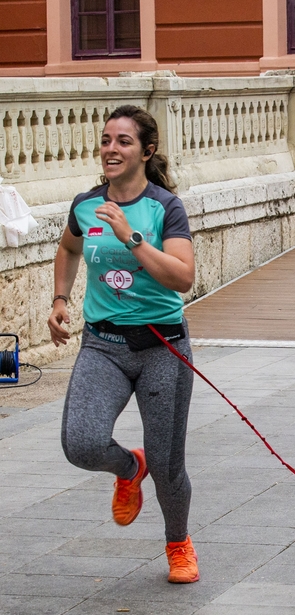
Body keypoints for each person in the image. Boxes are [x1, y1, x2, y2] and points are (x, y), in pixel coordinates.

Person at [47, 105, 199, 584]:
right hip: (102, 345)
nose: (111, 149)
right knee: (82, 443)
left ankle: (179, 544)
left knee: (169, 462)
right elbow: (69, 248)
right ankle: (130, 466)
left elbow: (183, 278)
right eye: (107, 140)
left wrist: (130, 236)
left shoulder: (164, 208)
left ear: (146, 151)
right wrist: (60, 299)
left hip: (162, 348)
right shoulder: (85, 204)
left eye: (124, 141)